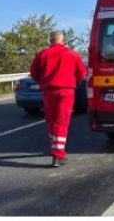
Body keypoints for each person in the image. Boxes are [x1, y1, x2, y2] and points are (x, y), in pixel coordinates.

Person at [29, 30, 87, 167]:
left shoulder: (42, 54)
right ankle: (58, 153)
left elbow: (34, 74)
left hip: (48, 91)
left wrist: (44, 81)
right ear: (63, 40)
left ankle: (55, 147)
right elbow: (82, 73)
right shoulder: (72, 54)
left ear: (50, 40)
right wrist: (74, 81)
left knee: (51, 120)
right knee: (62, 121)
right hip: (66, 90)